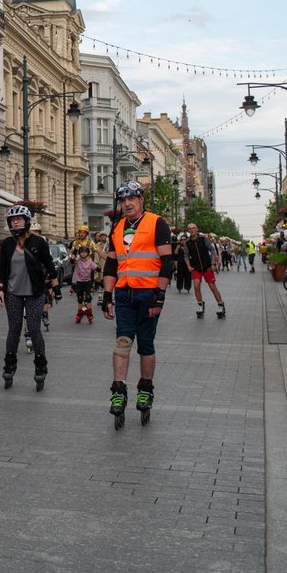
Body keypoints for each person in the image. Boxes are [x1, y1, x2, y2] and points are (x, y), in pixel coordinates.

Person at [102, 181, 173, 428]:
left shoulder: (157, 223)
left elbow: (167, 262)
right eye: (123, 200)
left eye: (131, 199)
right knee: (122, 340)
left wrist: (159, 295)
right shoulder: (117, 227)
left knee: (145, 344)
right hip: (124, 293)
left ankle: (145, 389)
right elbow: (112, 263)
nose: (127, 204)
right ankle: (119, 390)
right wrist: (107, 296)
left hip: (148, 294)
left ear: (141, 200)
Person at [0, 205, 60, 391]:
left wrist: (56, 289)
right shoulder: (7, 244)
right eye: (13, 219)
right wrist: (0, 289)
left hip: (35, 292)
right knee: (14, 329)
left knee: (33, 329)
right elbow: (2, 269)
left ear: (26, 221)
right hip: (13, 292)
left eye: (19, 218)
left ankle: (40, 366)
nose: (16, 222)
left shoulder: (38, 242)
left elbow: (50, 265)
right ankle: (9, 365)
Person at [185, 223, 225, 319]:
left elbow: (212, 250)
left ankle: (221, 305)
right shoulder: (187, 242)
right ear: (188, 231)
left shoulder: (203, 239)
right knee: (196, 286)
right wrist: (188, 266)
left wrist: (213, 263)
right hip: (196, 267)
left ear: (197, 229)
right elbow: (186, 255)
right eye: (190, 229)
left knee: (212, 287)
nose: (192, 230)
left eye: (193, 228)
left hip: (207, 266)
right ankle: (200, 305)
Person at [70, 245, 98, 323]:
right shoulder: (77, 261)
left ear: (88, 253)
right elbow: (72, 260)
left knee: (88, 298)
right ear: (79, 253)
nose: (83, 254)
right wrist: (75, 251)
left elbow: (96, 268)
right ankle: (80, 314)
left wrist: (102, 270)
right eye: (81, 252)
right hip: (79, 283)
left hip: (87, 282)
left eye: (85, 252)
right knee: (80, 298)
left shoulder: (89, 262)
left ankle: (89, 314)